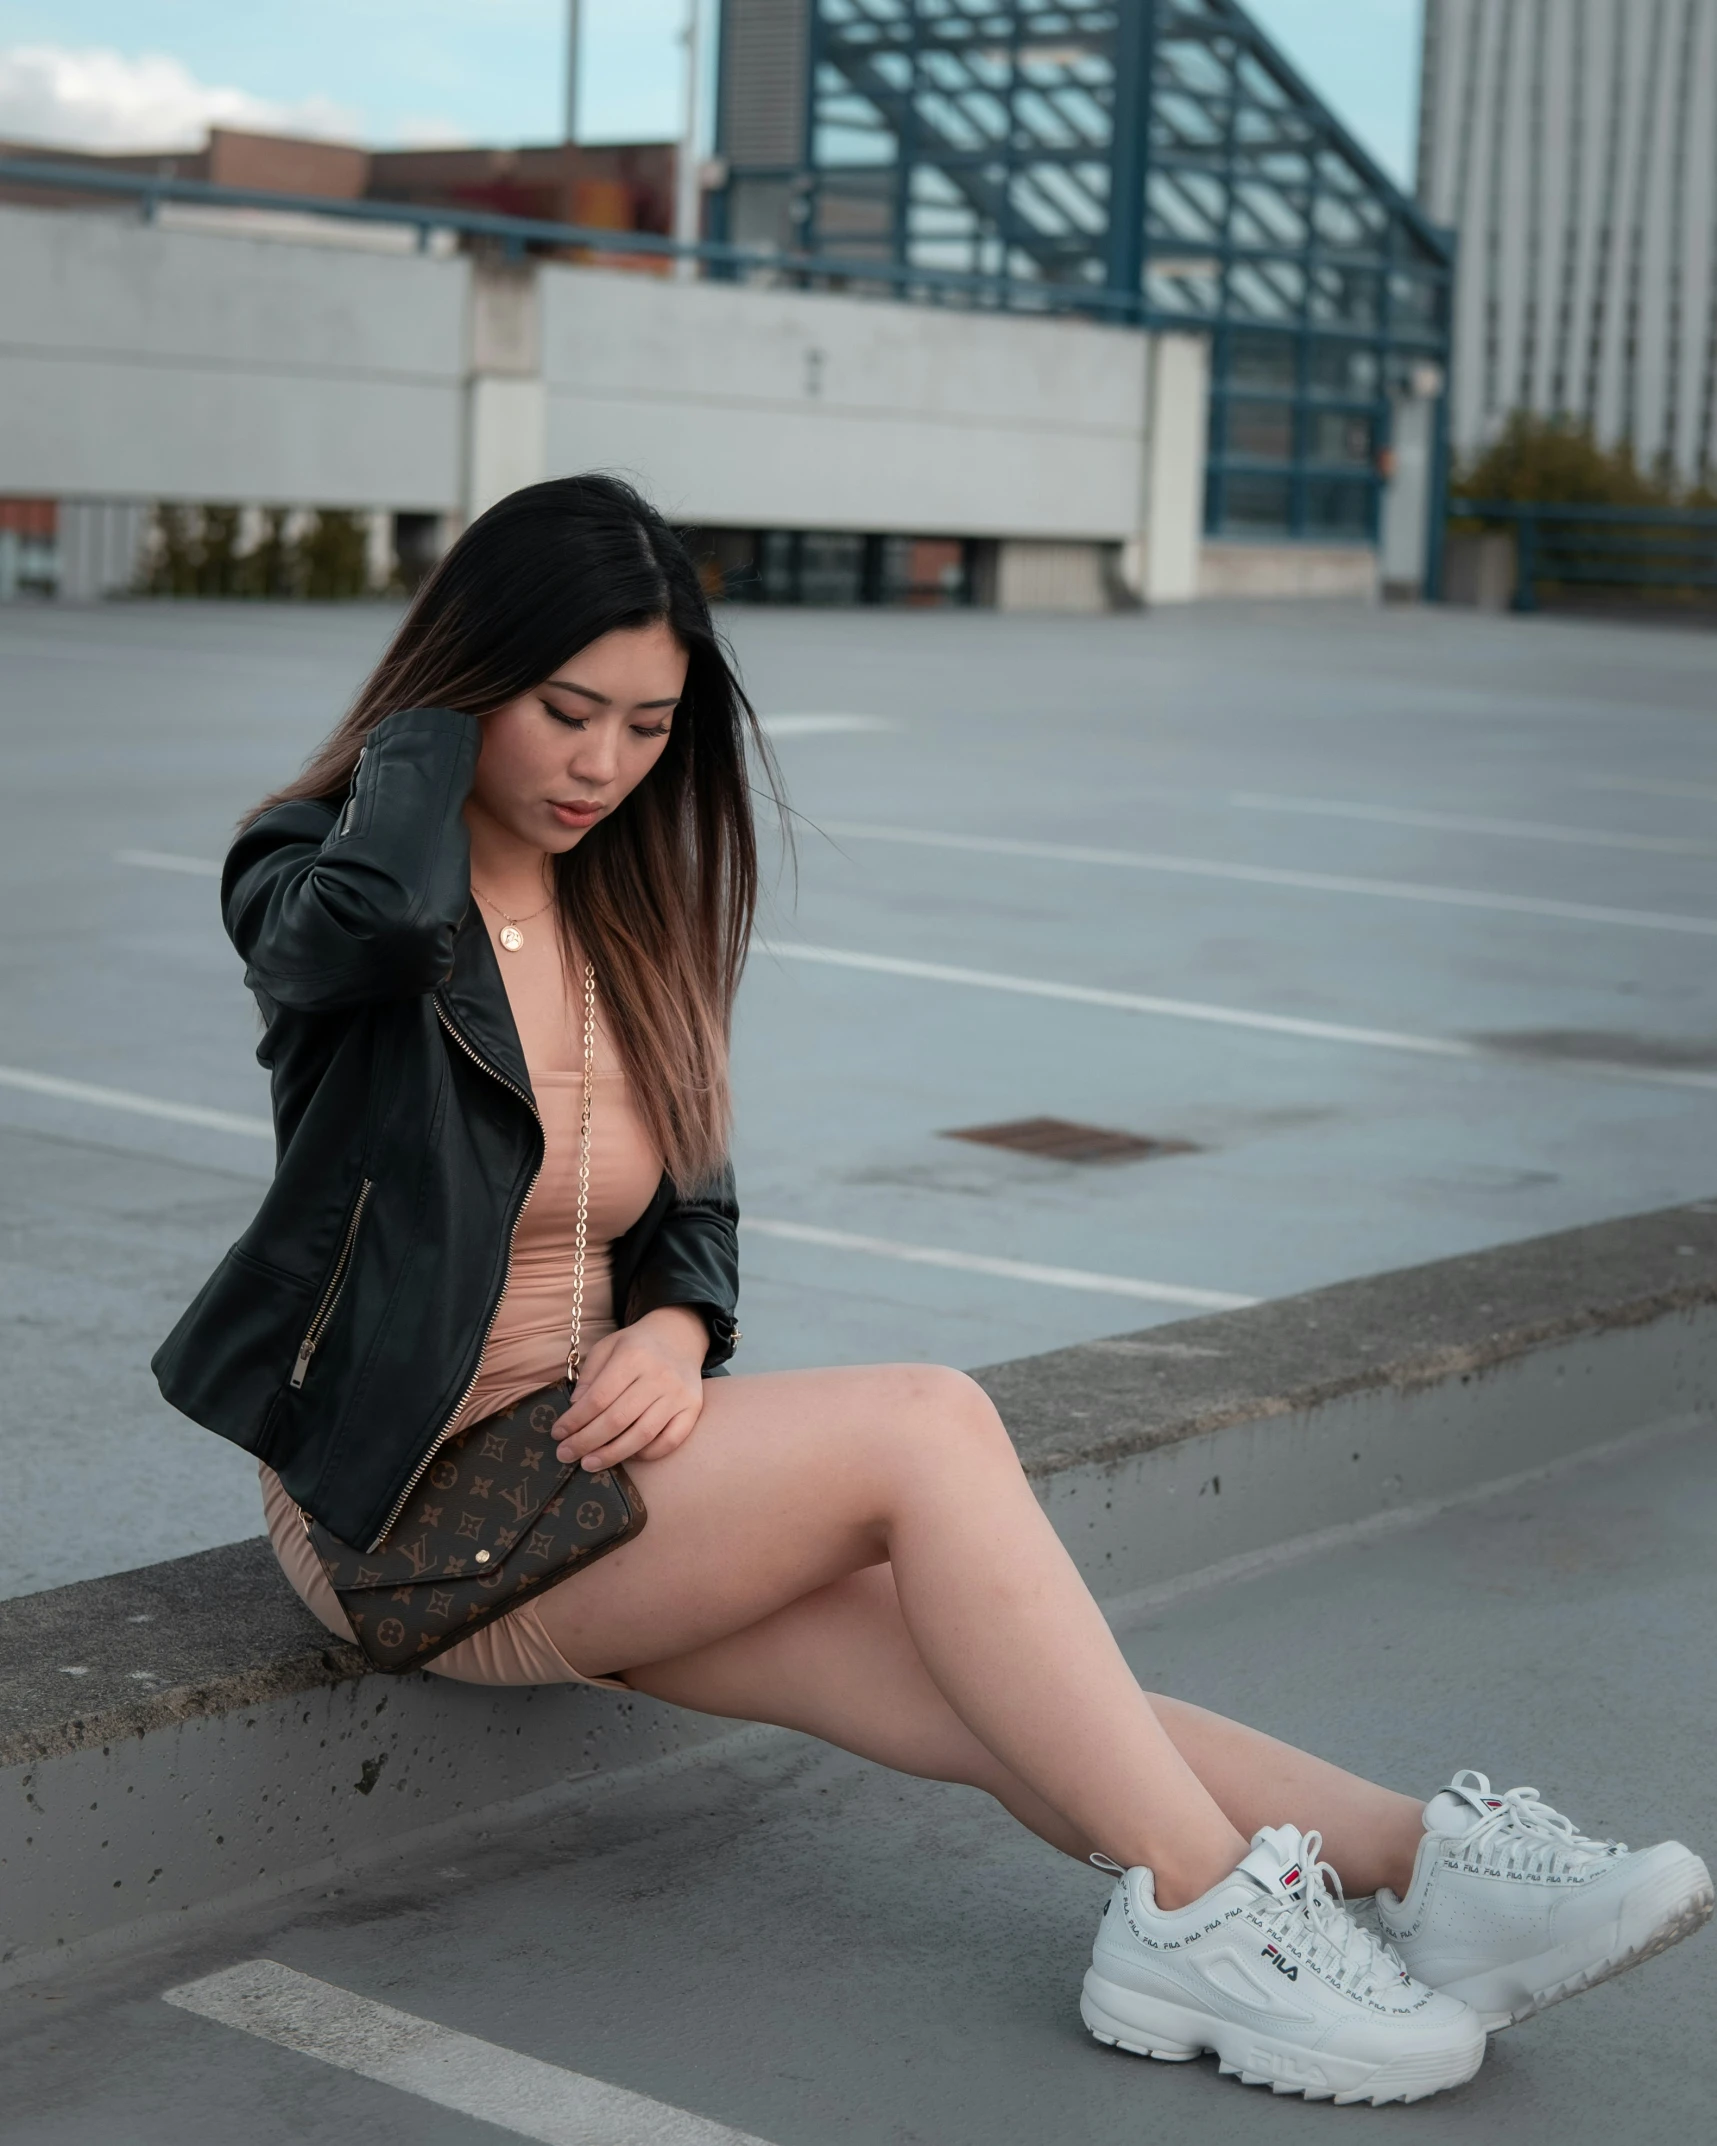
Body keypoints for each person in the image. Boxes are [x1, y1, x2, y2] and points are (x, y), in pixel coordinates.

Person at [154, 475, 1711, 2109]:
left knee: (1011, 1693)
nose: (605, 766)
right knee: (926, 1424)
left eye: (648, 724)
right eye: (563, 711)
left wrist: (680, 1323)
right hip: (405, 1501)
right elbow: (374, 928)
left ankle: (1429, 1877)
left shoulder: (625, 908)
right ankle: (1200, 1911)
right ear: (470, 671)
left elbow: (686, 1193)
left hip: (589, 1455)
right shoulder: (313, 869)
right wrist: (421, 733)